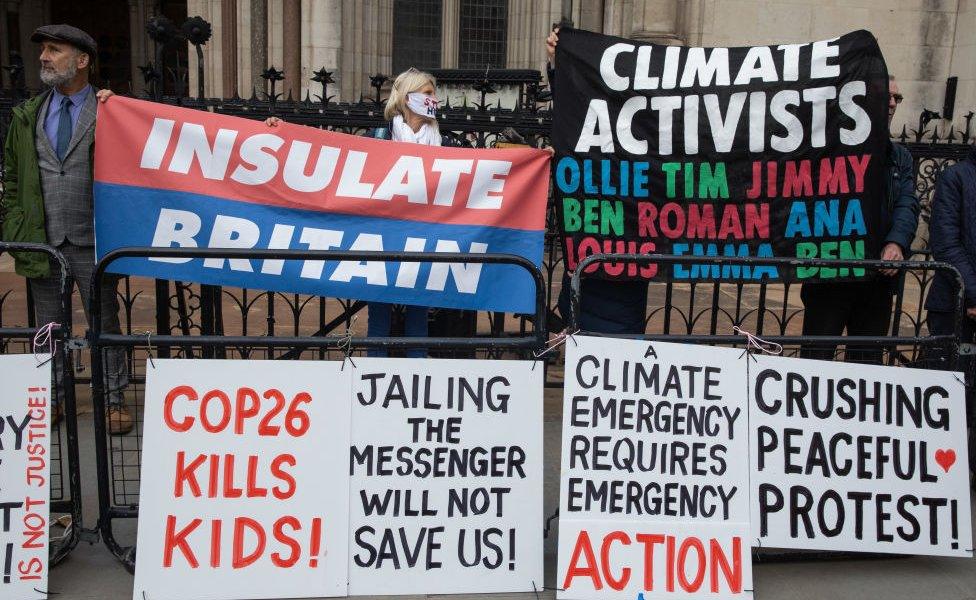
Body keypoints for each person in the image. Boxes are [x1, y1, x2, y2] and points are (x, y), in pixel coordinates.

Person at [0, 24, 132, 434]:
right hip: (43, 240)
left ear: (82, 60)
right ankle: (53, 398)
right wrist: (14, 222)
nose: (43, 57)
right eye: (43, 50)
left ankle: (113, 401)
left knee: (105, 323)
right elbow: (13, 178)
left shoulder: (110, 109)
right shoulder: (29, 114)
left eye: (54, 50)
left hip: (93, 239)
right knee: (48, 326)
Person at [266, 68, 447, 357]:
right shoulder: (377, 137)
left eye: (433, 93)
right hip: (382, 240)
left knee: (418, 327)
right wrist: (283, 132)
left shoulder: (444, 145)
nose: (434, 99)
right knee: (378, 325)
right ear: (406, 97)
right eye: (427, 93)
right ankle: (375, 385)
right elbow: (329, 155)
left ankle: (416, 391)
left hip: (422, 242)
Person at [799, 75, 921, 364]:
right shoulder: (829, 150)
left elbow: (907, 203)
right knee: (816, 359)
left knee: (866, 362)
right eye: (886, 96)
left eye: (897, 98)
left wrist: (896, 242)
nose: (892, 104)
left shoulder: (899, 157)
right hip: (831, 276)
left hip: (876, 280)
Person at [546, 24, 650, 334]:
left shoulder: (648, 130)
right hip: (593, 274)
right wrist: (559, 62)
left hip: (621, 276)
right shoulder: (590, 122)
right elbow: (574, 104)